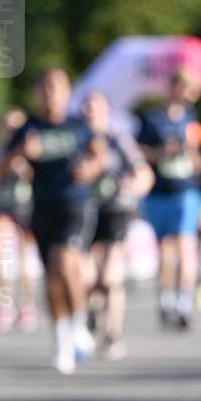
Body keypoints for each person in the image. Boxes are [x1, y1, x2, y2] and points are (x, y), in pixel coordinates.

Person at [4, 68, 106, 373]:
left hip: (75, 205)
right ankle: (62, 336)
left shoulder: (79, 125)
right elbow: (1, 166)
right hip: (42, 207)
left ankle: (78, 323)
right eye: (45, 87)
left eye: (57, 87)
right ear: (37, 92)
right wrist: (22, 152)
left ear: (66, 92)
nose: (50, 93)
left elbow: (100, 157)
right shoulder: (29, 129)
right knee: (52, 276)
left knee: (64, 260)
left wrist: (90, 169)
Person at [81, 91, 153, 359]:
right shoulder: (77, 141)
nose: (90, 115)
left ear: (106, 113)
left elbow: (144, 173)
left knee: (110, 275)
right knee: (87, 276)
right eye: (86, 109)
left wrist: (133, 186)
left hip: (116, 211)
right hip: (85, 212)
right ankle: (90, 315)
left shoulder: (118, 140)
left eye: (95, 109)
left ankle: (112, 333)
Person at [137, 71, 201, 329]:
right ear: (175, 87)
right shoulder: (151, 118)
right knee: (165, 248)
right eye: (188, 88)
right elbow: (139, 152)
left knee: (186, 246)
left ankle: (184, 302)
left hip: (185, 190)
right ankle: (166, 301)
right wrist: (159, 152)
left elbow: (197, 161)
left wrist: (190, 153)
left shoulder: (191, 119)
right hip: (158, 192)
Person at [0, 108, 37, 332]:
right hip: (3, 205)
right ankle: (4, 306)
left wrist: (24, 169)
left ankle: (26, 305)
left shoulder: (29, 149)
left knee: (25, 260)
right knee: (1, 256)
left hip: (25, 206)